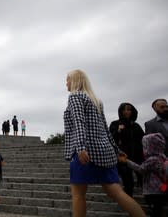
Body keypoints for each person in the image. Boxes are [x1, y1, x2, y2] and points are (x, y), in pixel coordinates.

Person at [63, 69, 145, 217]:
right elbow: (105, 128)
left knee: (78, 195)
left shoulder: (75, 96)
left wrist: (81, 147)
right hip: (104, 152)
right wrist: (116, 149)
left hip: (85, 152)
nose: (66, 83)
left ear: (75, 80)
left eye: (67, 79)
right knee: (117, 192)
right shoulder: (96, 100)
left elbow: (78, 122)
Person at [119, 133, 167, 217]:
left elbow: (140, 169)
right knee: (158, 209)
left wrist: (127, 162)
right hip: (163, 188)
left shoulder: (152, 160)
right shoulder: (163, 157)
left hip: (153, 191)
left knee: (155, 211)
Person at [109, 103, 144, 197]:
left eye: (129, 109)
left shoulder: (136, 125)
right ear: (121, 111)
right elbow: (110, 139)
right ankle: (129, 199)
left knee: (142, 177)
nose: (127, 112)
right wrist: (118, 131)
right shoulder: (115, 124)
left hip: (137, 155)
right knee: (128, 180)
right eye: (124, 110)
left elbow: (143, 139)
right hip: (123, 156)